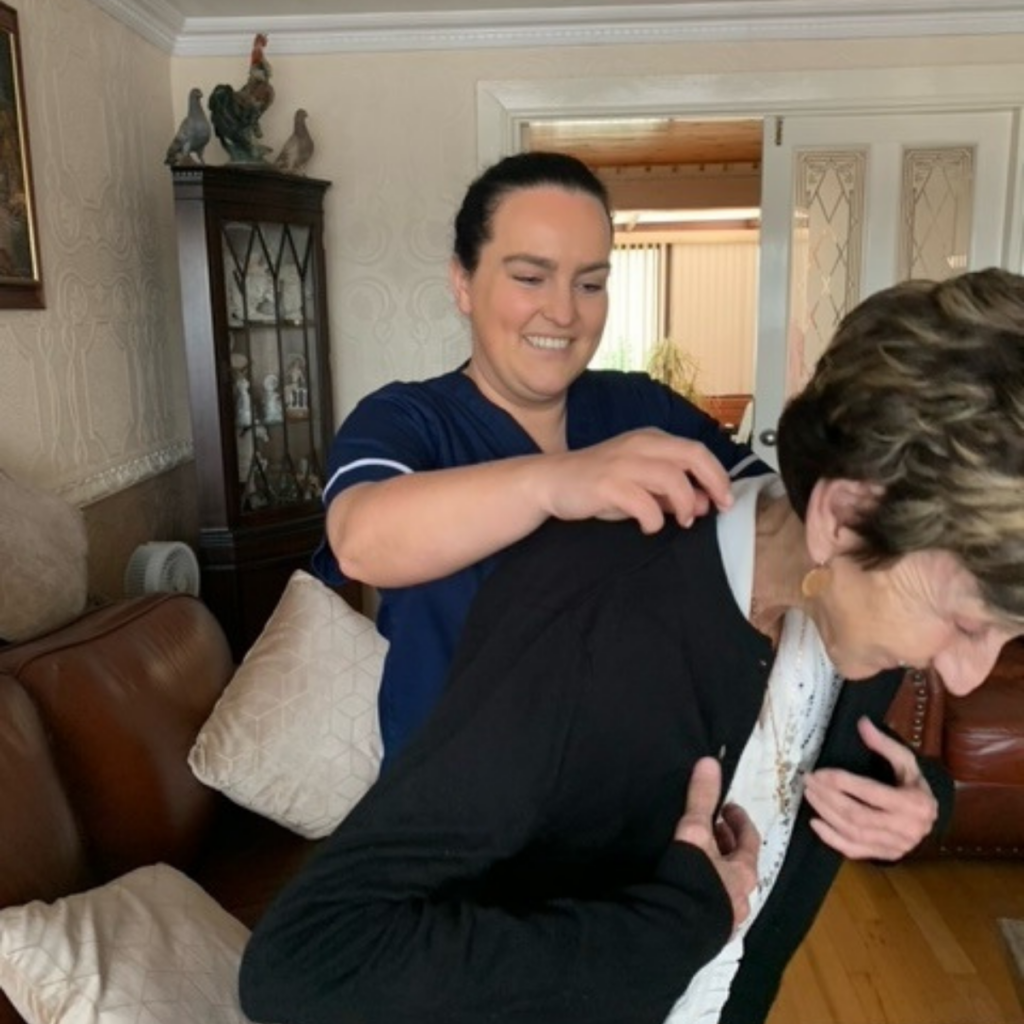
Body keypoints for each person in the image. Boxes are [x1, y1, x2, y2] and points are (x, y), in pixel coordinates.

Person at [241, 268, 1024, 1024]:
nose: (967, 672)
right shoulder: (585, 622)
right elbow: (304, 962)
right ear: (843, 517)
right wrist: (675, 925)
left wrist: (924, 800)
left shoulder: (855, 615)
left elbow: (816, 766)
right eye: (964, 622)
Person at [314, 151, 767, 761]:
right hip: (454, 811)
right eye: (530, 277)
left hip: (630, 801)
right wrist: (557, 481)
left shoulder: (642, 410)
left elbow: (773, 516)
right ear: (462, 284)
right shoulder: (407, 421)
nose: (563, 312)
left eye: (590, 283)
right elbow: (360, 540)